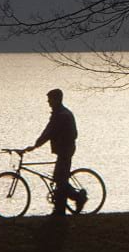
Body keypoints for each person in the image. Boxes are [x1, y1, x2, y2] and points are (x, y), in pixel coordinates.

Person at [24, 88, 87, 216]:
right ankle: (60, 209)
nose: (48, 102)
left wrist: (35, 146)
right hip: (64, 149)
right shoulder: (60, 114)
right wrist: (36, 144)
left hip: (66, 150)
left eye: (50, 99)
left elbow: (49, 132)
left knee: (60, 179)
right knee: (59, 178)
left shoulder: (61, 115)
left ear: (57, 100)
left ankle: (77, 198)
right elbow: (48, 131)